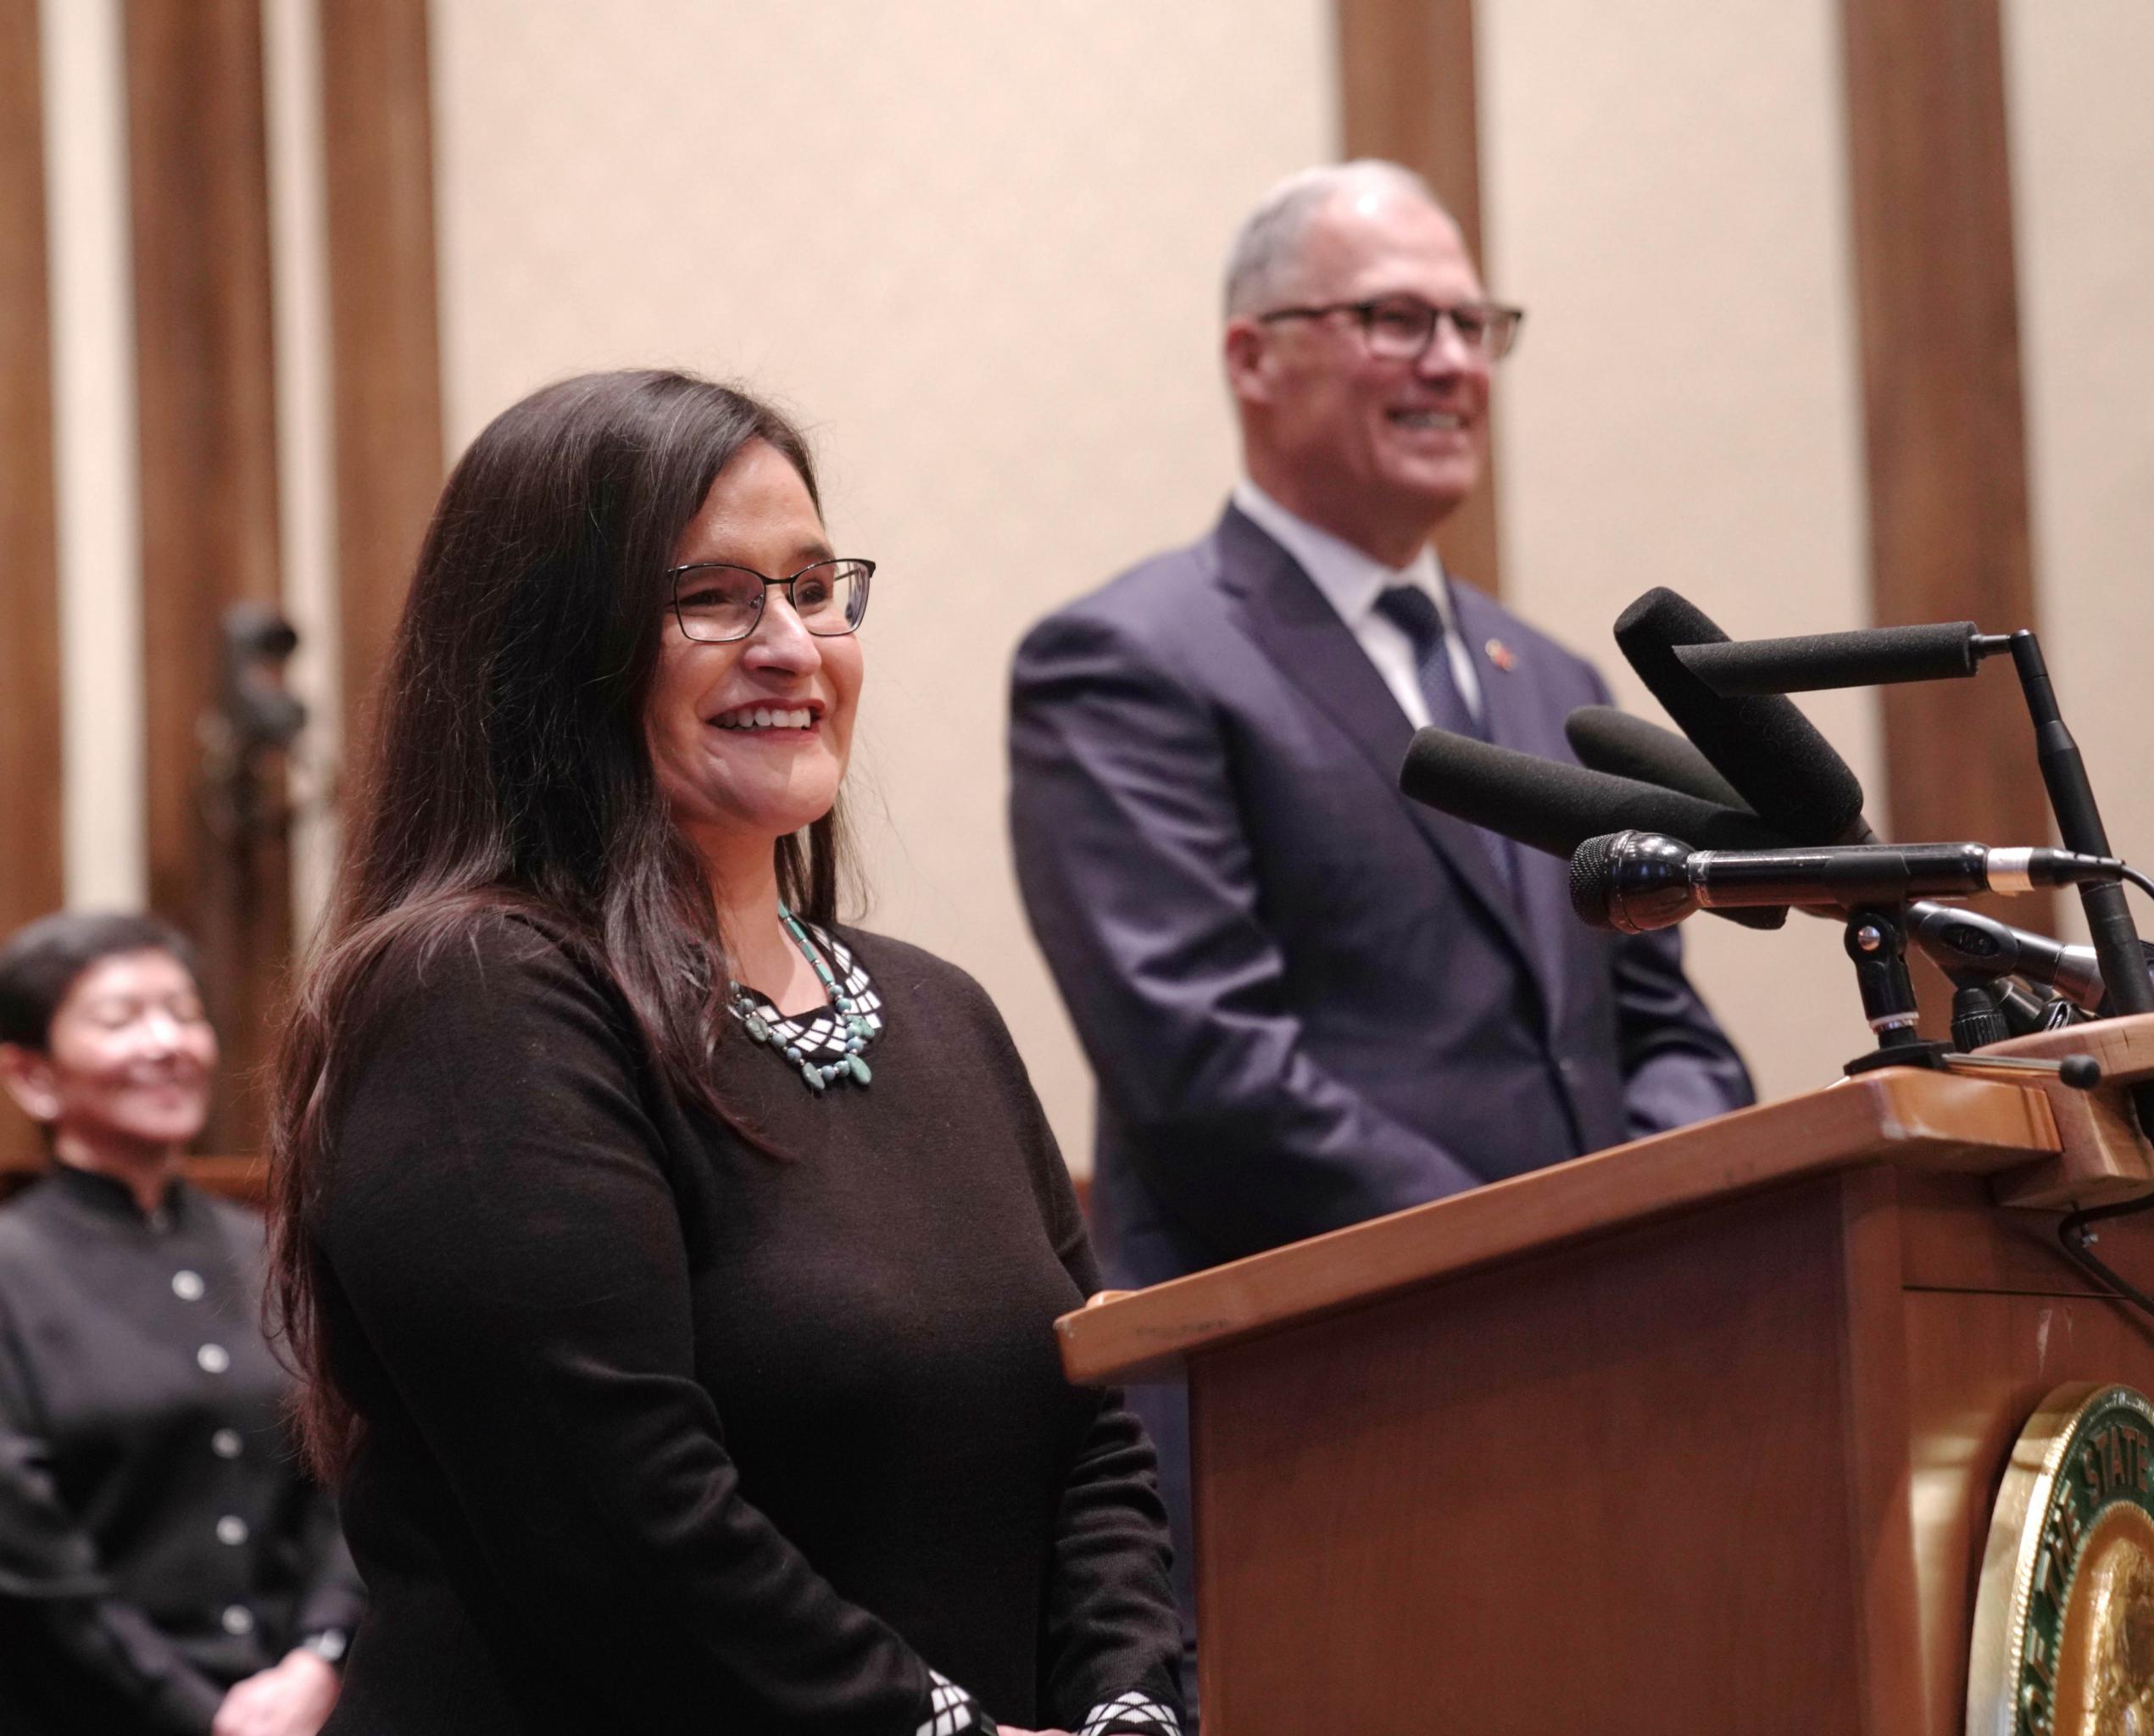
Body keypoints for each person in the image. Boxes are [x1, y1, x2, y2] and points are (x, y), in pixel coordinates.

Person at [264, 370, 1183, 1736]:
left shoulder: (938, 1010)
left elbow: (1093, 1444)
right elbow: (622, 1522)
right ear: (550, 650)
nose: (792, 647)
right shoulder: (475, 996)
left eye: (814, 587)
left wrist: (1128, 1708)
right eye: (713, 597)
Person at [1007, 160, 1754, 1698]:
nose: (1452, 361)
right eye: (1395, 319)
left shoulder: (1552, 684)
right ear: (1253, 355)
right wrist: (1537, 1251)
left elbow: (1660, 1024)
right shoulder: (1130, 661)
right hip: (1313, 1412)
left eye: (1477, 324)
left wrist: (1676, 1186)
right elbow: (1207, 1066)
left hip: (1608, 1394)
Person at [0, 911, 361, 1736]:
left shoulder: (269, 1247)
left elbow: (349, 1459)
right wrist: (198, 1713)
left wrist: (319, 1655)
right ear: (32, 1076)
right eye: (122, 1018)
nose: (167, 1040)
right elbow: (24, 1551)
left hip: (308, 1707)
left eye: (184, 1010)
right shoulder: (12, 1269)